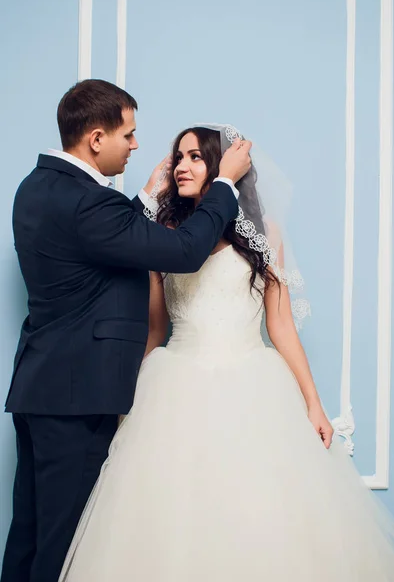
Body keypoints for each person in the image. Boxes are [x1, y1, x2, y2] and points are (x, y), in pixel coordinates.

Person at [58, 124, 394, 581]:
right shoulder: (165, 231)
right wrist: (125, 395)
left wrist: (314, 403)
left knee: (258, 516)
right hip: (174, 388)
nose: (182, 166)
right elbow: (156, 327)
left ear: (223, 166)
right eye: (179, 157)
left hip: (253, 385)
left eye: (196, 157)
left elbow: (280, 326)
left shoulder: (265, 233)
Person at [1, 86, 252, 582]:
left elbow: (96, 245)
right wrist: (224, 183)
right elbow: (183, 252)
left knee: (29, 537)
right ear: (96, 138)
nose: (137, 146)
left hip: (41, 388)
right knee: (63, 547)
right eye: (128, 133)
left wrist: (142, 198)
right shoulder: (89, 203)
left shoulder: (37, 187)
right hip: (78, 399)